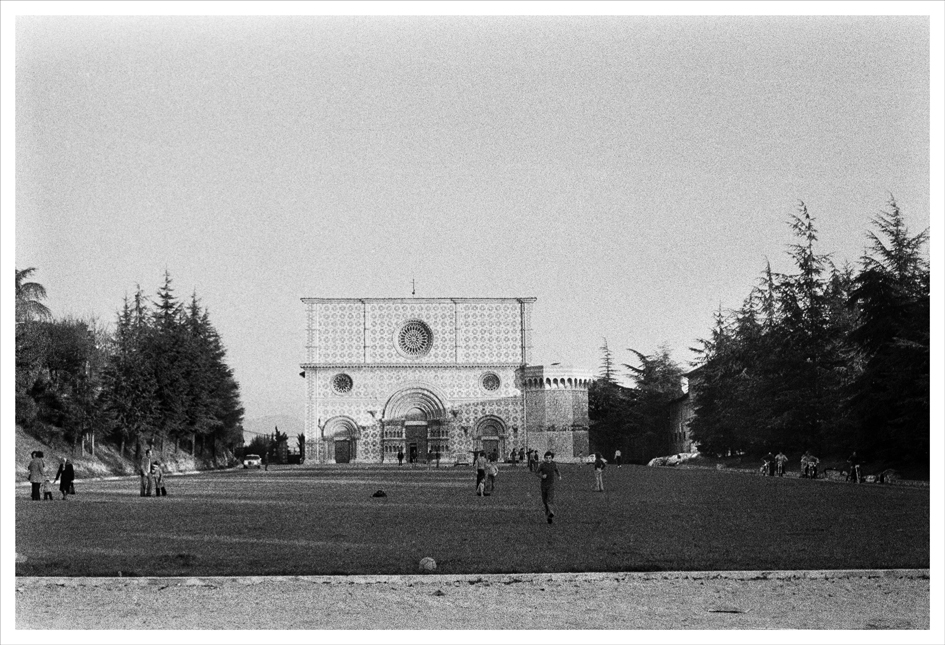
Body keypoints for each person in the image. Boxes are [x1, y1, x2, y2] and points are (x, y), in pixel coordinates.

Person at [536, 451, 562, 524]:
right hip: (543, 485)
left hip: (551, 485)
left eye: (549, 458)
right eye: (546, 458)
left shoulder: (553, 464)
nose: (548, 459)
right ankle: (548, 516)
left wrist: (559, 475)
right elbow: (536, 472)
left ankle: (551, 512)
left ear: (552, 458)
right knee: (545, 501)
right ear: (544, 458)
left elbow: (556, 470)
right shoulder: (542, 465)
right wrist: (542, 476)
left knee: (549, 500)